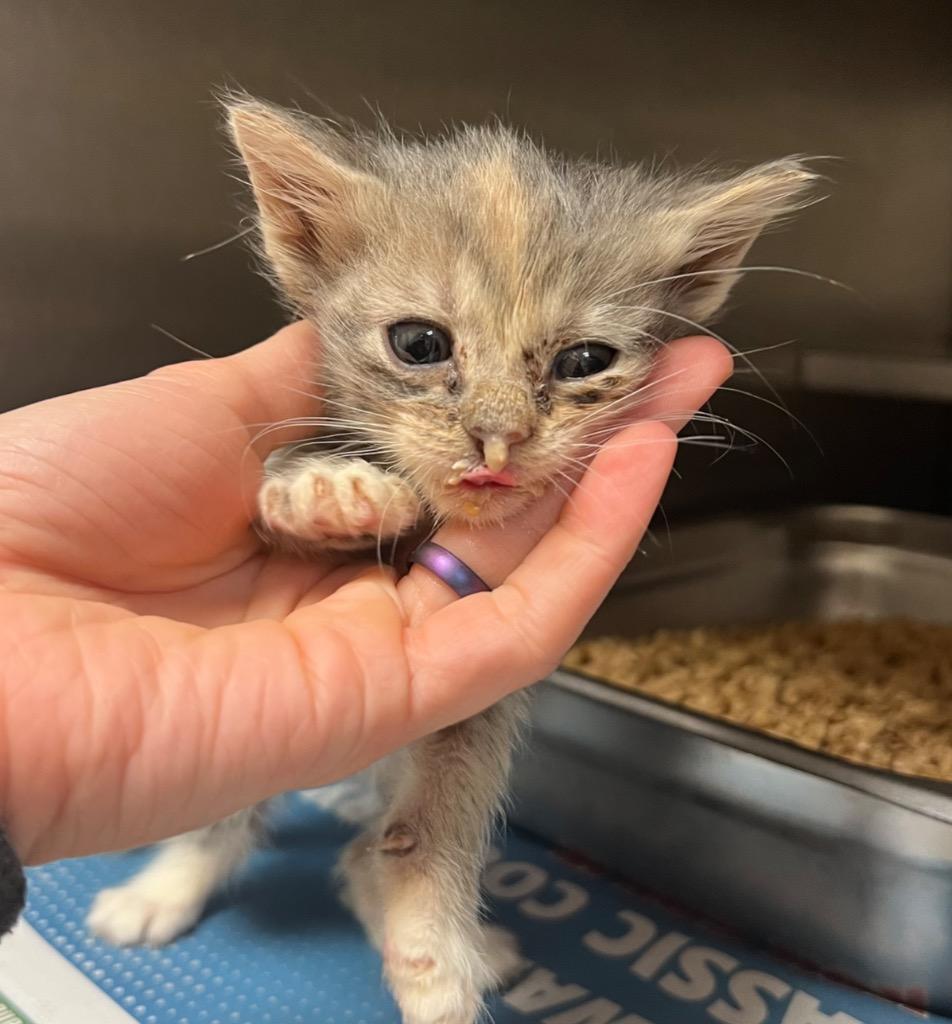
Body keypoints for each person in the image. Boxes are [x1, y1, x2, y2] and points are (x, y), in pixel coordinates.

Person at [0, 321, 729, 931]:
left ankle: (394, 880)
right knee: (262, 674)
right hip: (296, 597)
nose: (499, 432)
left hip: (415, 619)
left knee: (466, 689)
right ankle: (206, 850)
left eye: (582, 360)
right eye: (421, 344)